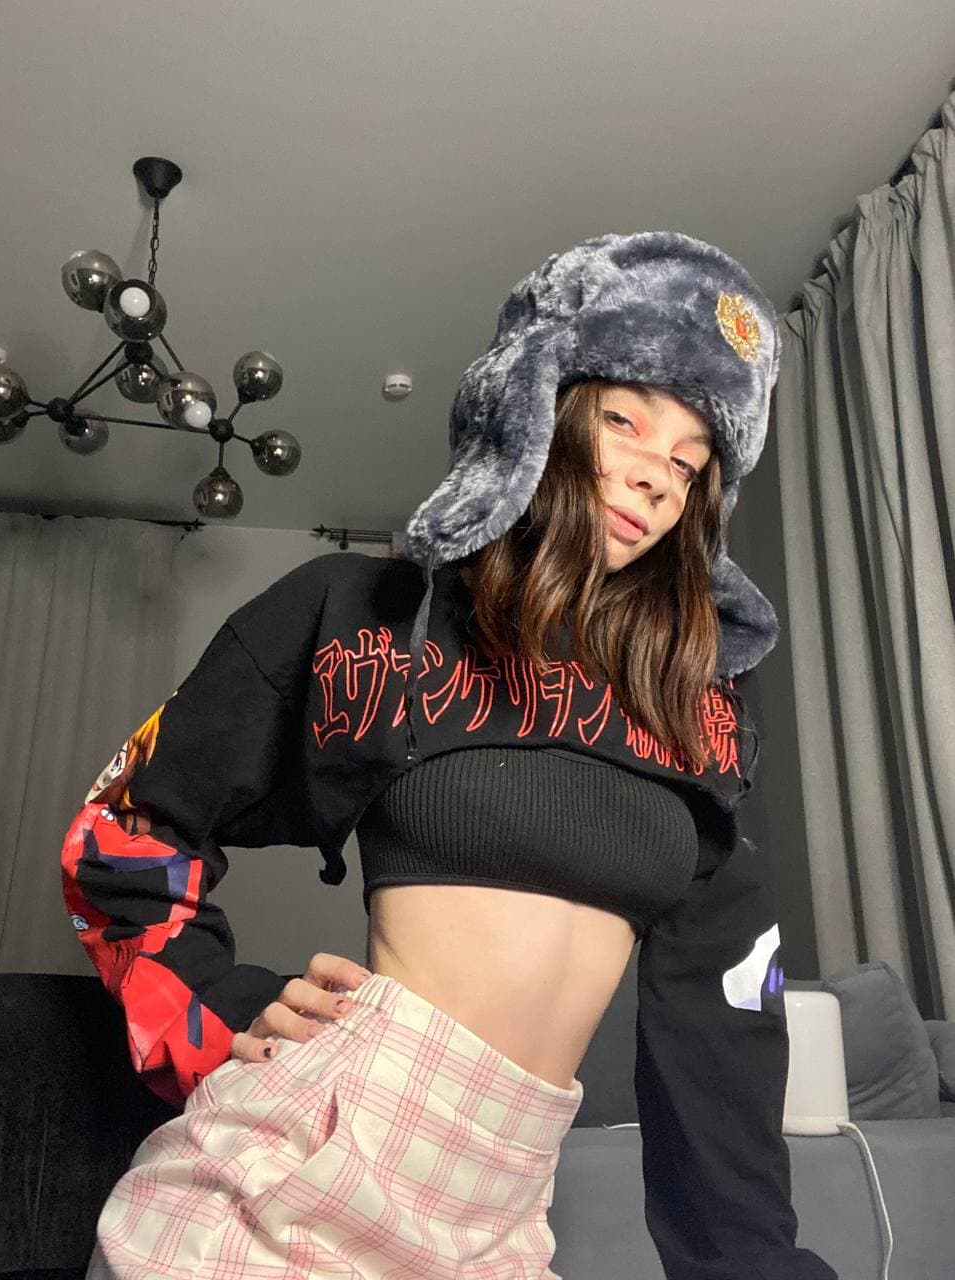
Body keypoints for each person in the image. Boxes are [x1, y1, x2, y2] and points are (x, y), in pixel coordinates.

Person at [63, 230, 839, 1279]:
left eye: (687, 461)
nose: (654, 477)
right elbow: (124, 826)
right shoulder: (372, 616)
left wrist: (754, 1262)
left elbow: (722, 1019)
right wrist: (220, 1000)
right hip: (310, 1163)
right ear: (542, 406)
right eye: (624, 420)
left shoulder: (695, 710)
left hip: (504, 1217)